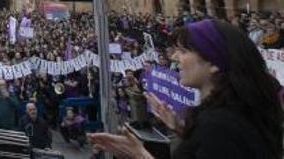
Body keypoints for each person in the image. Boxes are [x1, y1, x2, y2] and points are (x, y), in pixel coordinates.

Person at [89, 19, 284, 158]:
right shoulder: (229, 114)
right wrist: (180, 128)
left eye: (183, 51)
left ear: (214, 63)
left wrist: (139, 155)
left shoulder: (220, 124)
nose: (174, 57)